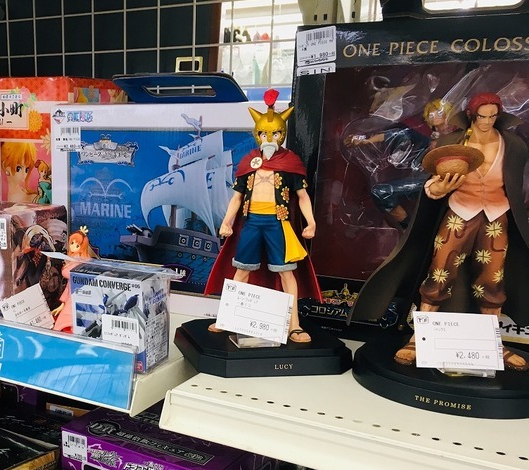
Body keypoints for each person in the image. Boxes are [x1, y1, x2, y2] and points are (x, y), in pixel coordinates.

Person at [350, 91, 529, 370]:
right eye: (482, 116)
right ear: (471, 115)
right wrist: (439, 188)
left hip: (496, 216)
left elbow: (517, 185)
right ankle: (419, 338)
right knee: (439, 272)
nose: (487, 121)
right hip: (460, 213)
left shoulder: (512, 144)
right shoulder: (453, 142)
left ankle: (492, 343)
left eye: (493, 116)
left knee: (492, 280)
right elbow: (432, 184)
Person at [204, 89, 319, 343]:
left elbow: (302, 196)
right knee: (241, 271)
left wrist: (311, 222)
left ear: (282, 133)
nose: (269, 138)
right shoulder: (249, 162)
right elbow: (237, 197)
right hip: (252, 223)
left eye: (275, 133)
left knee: (286, 273)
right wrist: (226, 221)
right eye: (264, 133)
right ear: (257, 134)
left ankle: (294, 325)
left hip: (278, 224)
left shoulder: (290, 162)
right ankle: (227, 317)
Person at [345, 98, 457, 226]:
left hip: (439, 183)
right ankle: (407, 226)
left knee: (382, 192)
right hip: (422, 181)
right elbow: (397, 134)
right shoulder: (427, 140)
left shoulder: (459, 138)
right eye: (434, 124)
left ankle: (411, 226)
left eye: (441, 118)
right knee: (380, 192)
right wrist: (365, 141)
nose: (439, 126)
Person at [53, 227, 94, 332]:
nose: (73, 247)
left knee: (71, 319)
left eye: (77, 245)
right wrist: (62, 304)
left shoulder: (83, 262)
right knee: (66, 320)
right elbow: (68, 287)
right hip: (72, 296)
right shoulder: (73, 259)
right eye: (72, 243)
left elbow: (68, 273)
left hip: (81, 296)